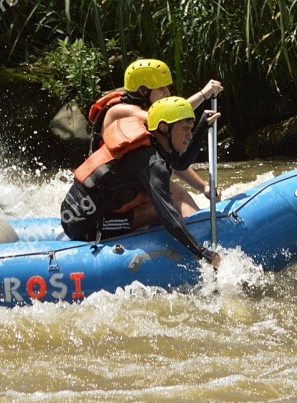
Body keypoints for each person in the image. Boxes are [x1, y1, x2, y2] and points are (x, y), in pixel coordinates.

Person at [61, 96, 222, 268]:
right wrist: (202, 253)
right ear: (163, 127)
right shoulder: (151, 163)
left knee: (159, 202)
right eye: (185, 129)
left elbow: (179, 163)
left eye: (190, 129)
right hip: (83, 224)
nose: (189, 135)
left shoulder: (155, 141)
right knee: (162, 208)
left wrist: (202, 127)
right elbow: (168, 215)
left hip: (78, 209)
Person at [87, 59, 224, 207]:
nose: (167, 93)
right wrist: (203, 95)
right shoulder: (119, 111)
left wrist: (203, 186)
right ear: (143, 91)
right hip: (113, 192)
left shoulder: (149, 120)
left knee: (181, 195)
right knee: (177, 198)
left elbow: (171, 160)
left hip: (135, 183)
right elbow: (172, 115)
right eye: (161, 88)